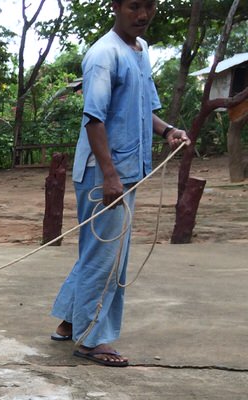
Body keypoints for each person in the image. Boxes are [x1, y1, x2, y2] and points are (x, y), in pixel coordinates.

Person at [50, 0, 188, 367]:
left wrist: (169, 131)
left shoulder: (140, 51)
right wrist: (110, 176)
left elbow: (145, 109)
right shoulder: (103, 55)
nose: (143, 15)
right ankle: (92, 338)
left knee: (101, 252)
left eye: (150, 6)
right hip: (105, 173)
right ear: (116, 6)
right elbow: (94, 119)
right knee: (106, 258)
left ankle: (69, 321)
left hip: (127, 169)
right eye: (134, 7)